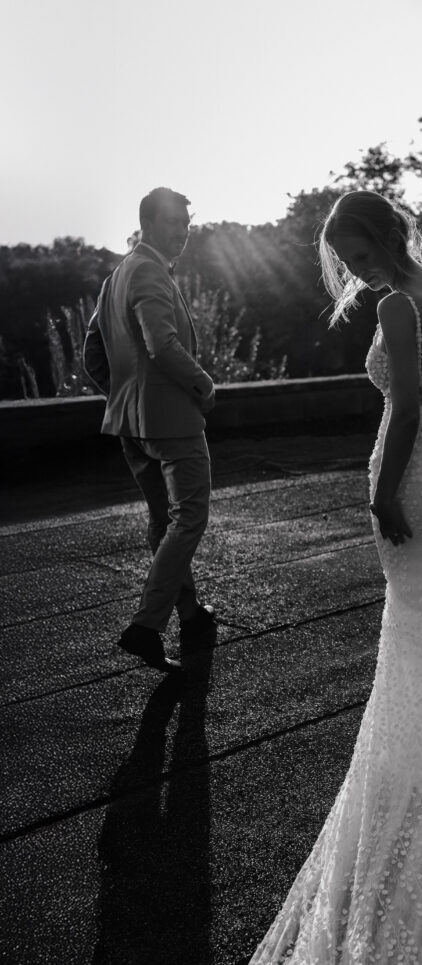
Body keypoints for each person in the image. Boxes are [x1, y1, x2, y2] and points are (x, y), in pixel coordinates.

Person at [220, 191, 422, 965]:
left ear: (376, 241)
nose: (356, 271)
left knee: (417, 631)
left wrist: (383, 494)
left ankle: (421, 783)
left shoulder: (400, 304)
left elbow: (406, 407)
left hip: (418, 478)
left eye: (356, 255)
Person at [83, 187, 217, 672]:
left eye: (186, 224)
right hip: (170, 422)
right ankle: (146, 626)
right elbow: (162, 345)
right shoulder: (147, 270)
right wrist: (203, 384)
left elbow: (91, 354)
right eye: (172, 224)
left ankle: (192, 613)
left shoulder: (116, 275)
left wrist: (123, 396)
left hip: (131, 426)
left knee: (164, 520)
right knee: (190, 517)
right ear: (147, 224)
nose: (181, 233)